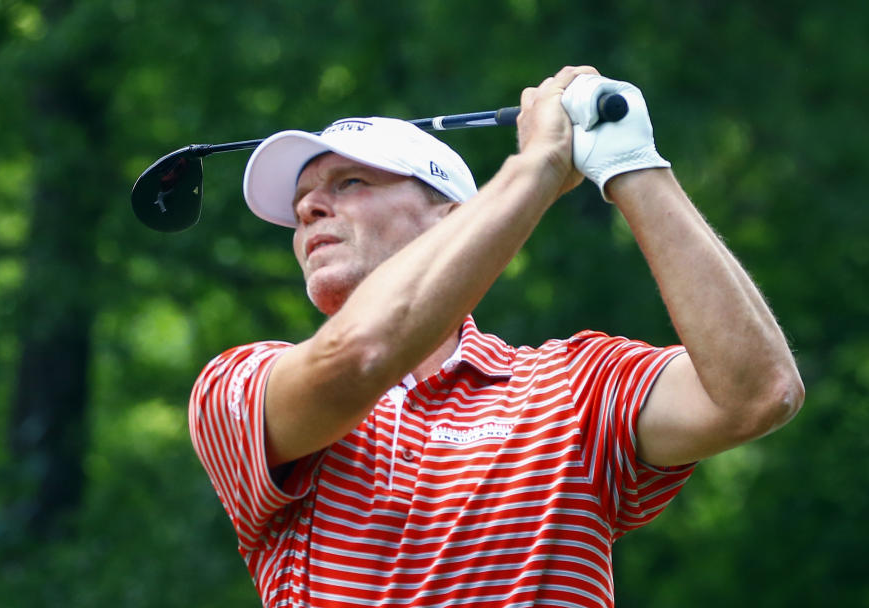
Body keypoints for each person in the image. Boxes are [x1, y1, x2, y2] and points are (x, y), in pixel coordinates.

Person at [188, 66, 804, 607]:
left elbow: (758, 392)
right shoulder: (237, 386)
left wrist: (630, 163)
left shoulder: (574, 387)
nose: (308, 209)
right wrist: (538, 163)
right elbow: (359, 355)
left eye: (350, 183)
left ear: (453, 217)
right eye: (301, 199)